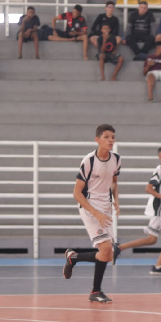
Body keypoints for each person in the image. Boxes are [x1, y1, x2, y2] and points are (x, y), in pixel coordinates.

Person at [63, 124, 121, 304]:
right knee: (105, 249)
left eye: (113, 137)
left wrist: (116, 200)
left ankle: (75, 259)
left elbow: (114, 182)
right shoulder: (89, 161)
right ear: (97, 140)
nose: (111, 140)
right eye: (106, 137)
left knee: (108, 254)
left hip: (105, 209)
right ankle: (95, 290)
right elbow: (76, 193)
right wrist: (95, 212)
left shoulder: (116, 159)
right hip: (90, 208)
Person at [112, 146, 161, 275]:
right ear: (160, 156)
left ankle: (158, 266)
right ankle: (120, 247)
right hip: (157, 208)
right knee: (152, 239)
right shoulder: (159, 170)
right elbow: (148, 189)